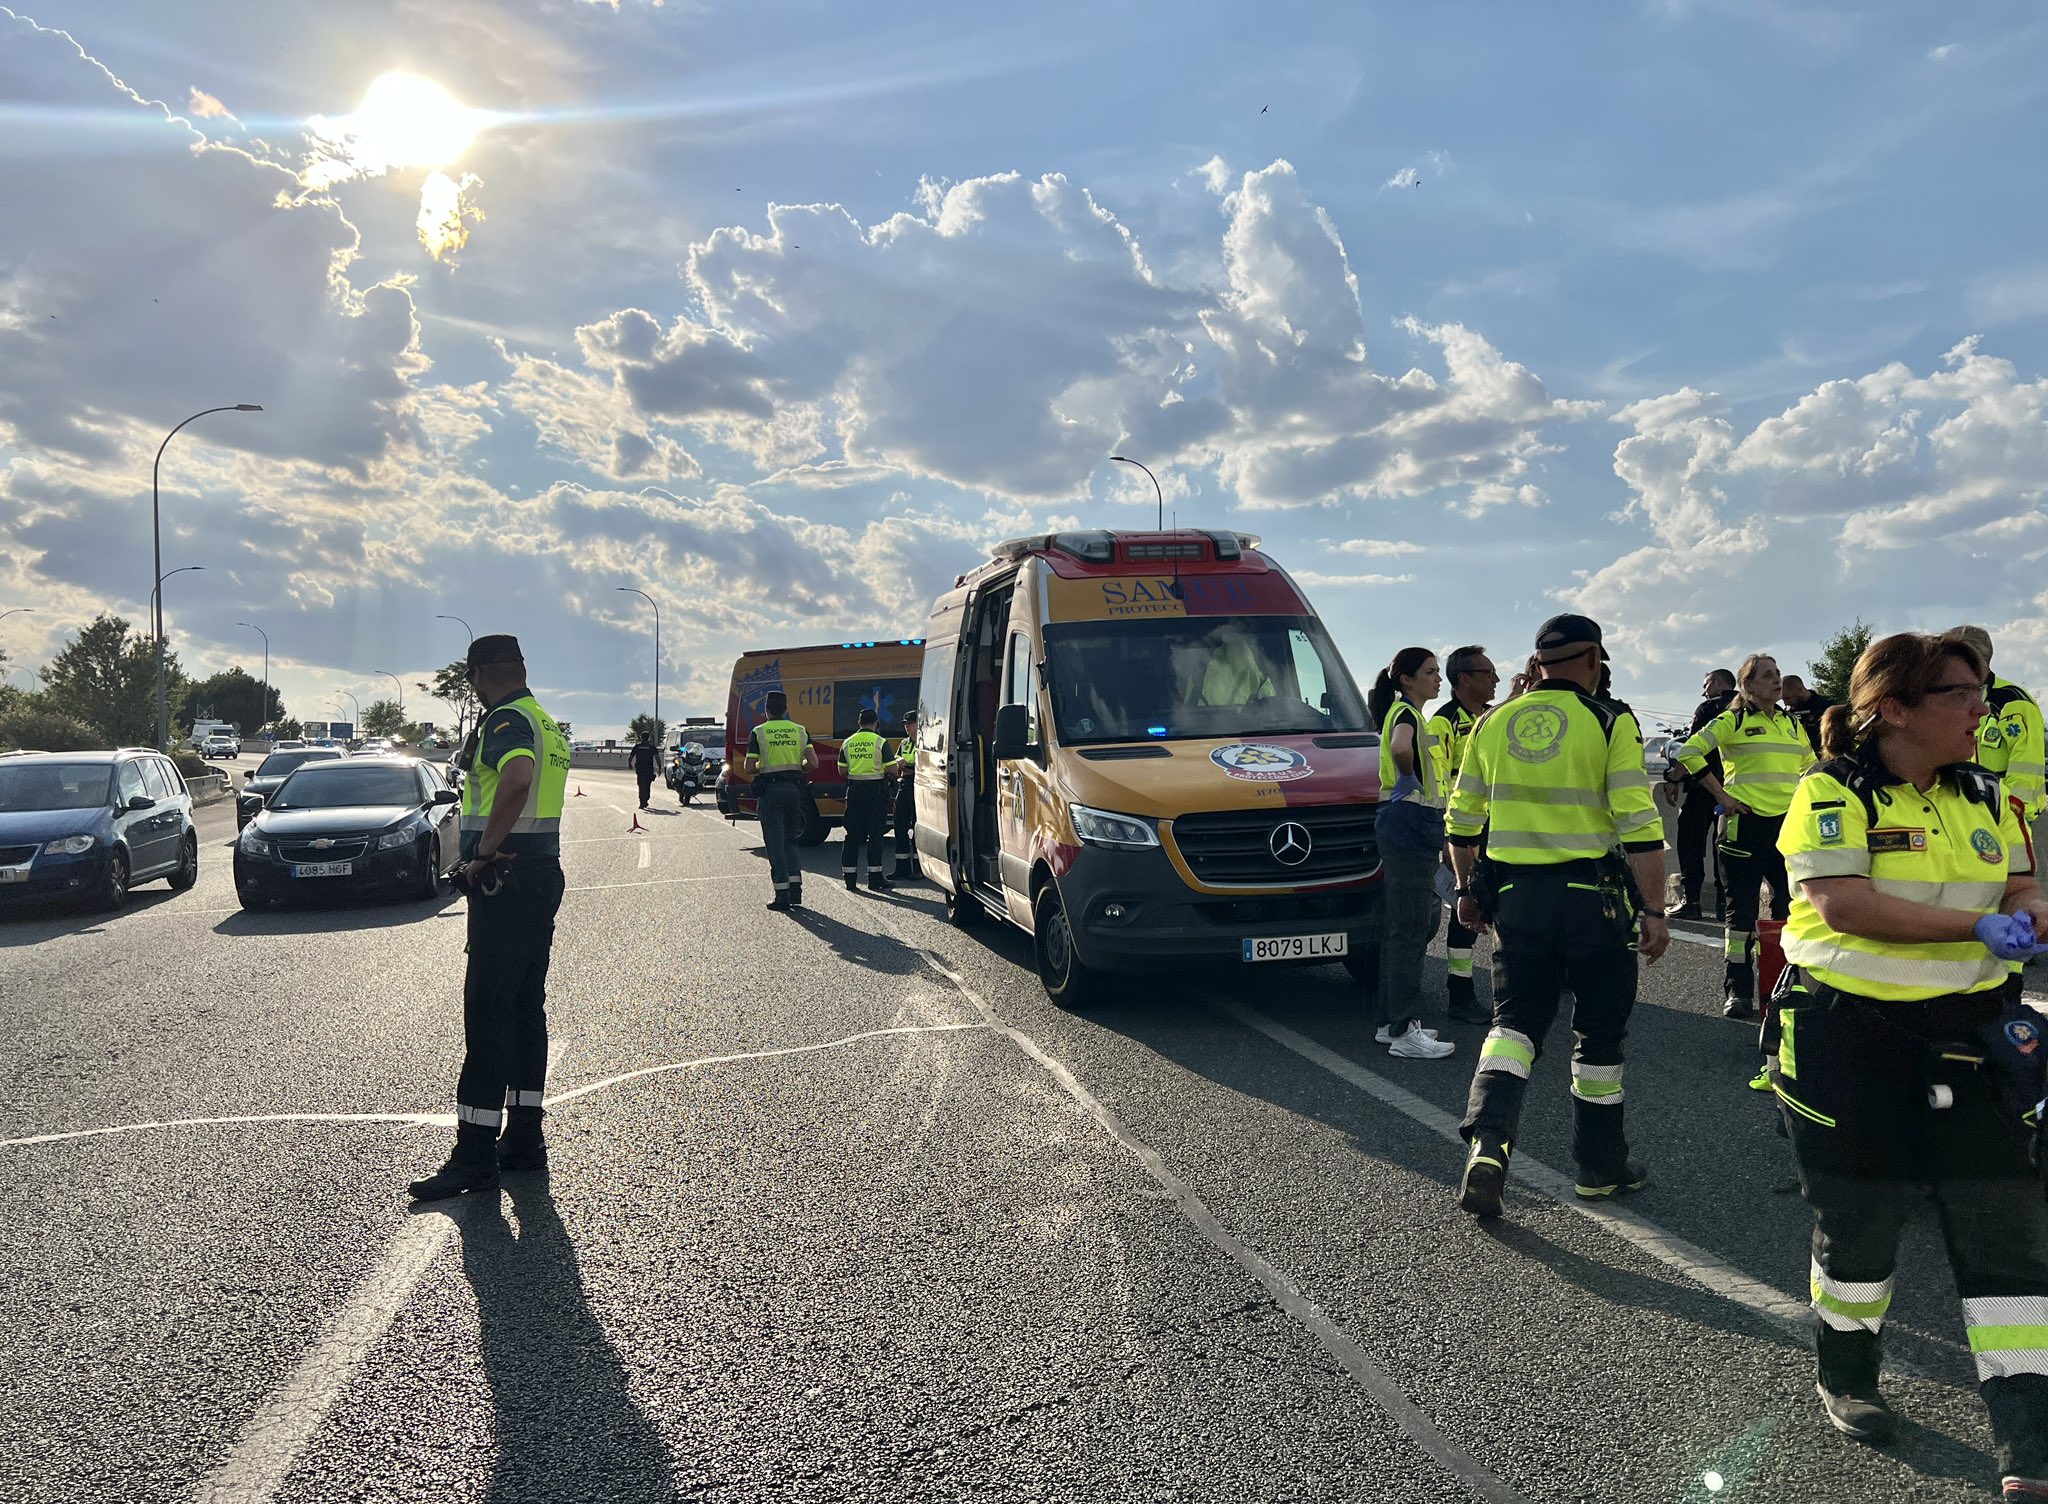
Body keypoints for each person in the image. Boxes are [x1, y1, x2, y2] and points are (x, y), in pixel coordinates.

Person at [1772, 632, 2048, 1491]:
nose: (1982, 708)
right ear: (1893, 709)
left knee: (2004, 1229)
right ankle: (1848, 1375)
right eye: (1962, 693)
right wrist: (1974, 928)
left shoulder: (1988, 795)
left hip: (1970, 1035)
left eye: (1985, 690)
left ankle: (2028, 1444)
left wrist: (2030, 911)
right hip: (1849, 1037)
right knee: (1862, 1219)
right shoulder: (1830, 790)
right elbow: (1842, 902)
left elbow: (2019, 883)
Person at [1447, 614, 1671, 1219]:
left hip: (1517, 901)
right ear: (1596, 656)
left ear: (1538, 661)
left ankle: (1489, 1144)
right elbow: (1638, 820)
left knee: (1514, 1024)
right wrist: (1654, 908)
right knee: (1598, 1036)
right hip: (1591, 901)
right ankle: (1600, 1168)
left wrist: (1468, 889)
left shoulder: (1492, 721)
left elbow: (1462, 821)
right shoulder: (1609, 718)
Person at [409, 634, 571, 1199]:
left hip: (506, 877)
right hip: (539, 874)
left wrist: (481, 853)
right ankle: (524, 1139)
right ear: (521, 668)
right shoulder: (545, 721)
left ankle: (475, 1155)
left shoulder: (505, 722)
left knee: (487, 1010)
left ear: (478, 676)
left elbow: (518, 778)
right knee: (526, 1007)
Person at [1675, 654, 1816, 1024]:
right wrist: (1721, 796)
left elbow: (1811, 766)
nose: (1776, 680)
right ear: (1748, 685)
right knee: (1742, 917)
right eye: (1767, 675)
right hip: (1744, 825)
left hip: (1785, 829)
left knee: (1791, 909)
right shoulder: (1734, 719)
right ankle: (1737, 990)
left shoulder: (1791, 723)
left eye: (1778, 674)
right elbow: (1688, 752)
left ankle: (1786, 986)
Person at [1368, 648, 1457, 1060]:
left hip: (1405, 822)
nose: (1437, 679)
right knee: (1410, 927)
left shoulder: (1409, 712)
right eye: (1429, 672)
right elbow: (1402, 748)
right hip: (1409, 821)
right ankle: (1403, 1031)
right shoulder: (1406, 714)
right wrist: (1409, 779)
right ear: (1406, 679)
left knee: (1404, 927)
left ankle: (1392, 1023)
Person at [1427, 645, 1498, 1024]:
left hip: (1498, 829)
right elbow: (1438, 784)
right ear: (1464, 679)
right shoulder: (1442, 724)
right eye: (1488, 673)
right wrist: (1445, 838)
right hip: (1462, 832)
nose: (1495, 681)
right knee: (1464, 908)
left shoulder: (1494, 719)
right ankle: (1460, 992)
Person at [1948, 625, 2047, 821]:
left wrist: (2013, 812)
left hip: (2010, 816)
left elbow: (2027, 766)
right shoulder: (1949, 699)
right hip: (1965, 814)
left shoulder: (2012, 701)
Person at [1661, 669, 1737, 922]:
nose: (1703, 691)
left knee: (1691, 841)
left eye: (1706, 684)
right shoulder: (1746, 708)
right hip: (1735, 788)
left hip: (1703, 785)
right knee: (1724, 847)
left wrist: (1674, 779)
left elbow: (1690, 749)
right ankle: (1722, 904)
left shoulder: (1707, 709)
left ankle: (1690, 900)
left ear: (1718, 682)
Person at [744, 690, 817, 912]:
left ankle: (782, 895)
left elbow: (748, 767)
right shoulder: (800, 730)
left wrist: (763, 767)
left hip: (771, 791)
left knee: (775, 843)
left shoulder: (759, 732)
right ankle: (796, 891)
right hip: (794, 790)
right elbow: (812, 763)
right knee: (790, 840)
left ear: (766, 710)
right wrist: (795, 766)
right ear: (786, 710)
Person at [838, 706, 892, 893]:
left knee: (852, 835)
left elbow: (842, 771)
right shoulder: (880, 742)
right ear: (876, 723)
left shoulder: (847, 742)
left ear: (859, 723)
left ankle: (850, 880)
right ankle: (875, 879)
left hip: (854, 792)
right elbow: (892, 770)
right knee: (875, 835)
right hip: (875, 792)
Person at [888, 710, 921, 880]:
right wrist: (901, 765)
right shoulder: (904, 743)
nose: (907, 727)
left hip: (919, 786)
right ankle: (901, 868)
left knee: (917, 826)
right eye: (905, 724)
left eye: (910, 723)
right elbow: (895, 762)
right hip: (904, 785)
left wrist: (906, 765)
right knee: (899, 825)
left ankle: (919, 868)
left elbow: (925, 766)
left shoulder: (924, 742)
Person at [1781, 674, 1835, 752]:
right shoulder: (1787, 714)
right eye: (1783, 699)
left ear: (1799, 690)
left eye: (1787, 698)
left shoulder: (1827, 705)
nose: (1786, 703)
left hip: (1826, 757)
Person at [628, 732, 658, 810]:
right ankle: (645, 799)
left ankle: (642, 802)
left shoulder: (637, 747)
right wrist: (660, 767)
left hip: (640, 768)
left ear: (641, 737)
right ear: (648, 738)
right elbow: (657, 758)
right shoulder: (652, 747)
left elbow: (631, 757)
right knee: (647, 785)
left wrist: (629, 764)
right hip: (648, 768)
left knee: (641, 785)